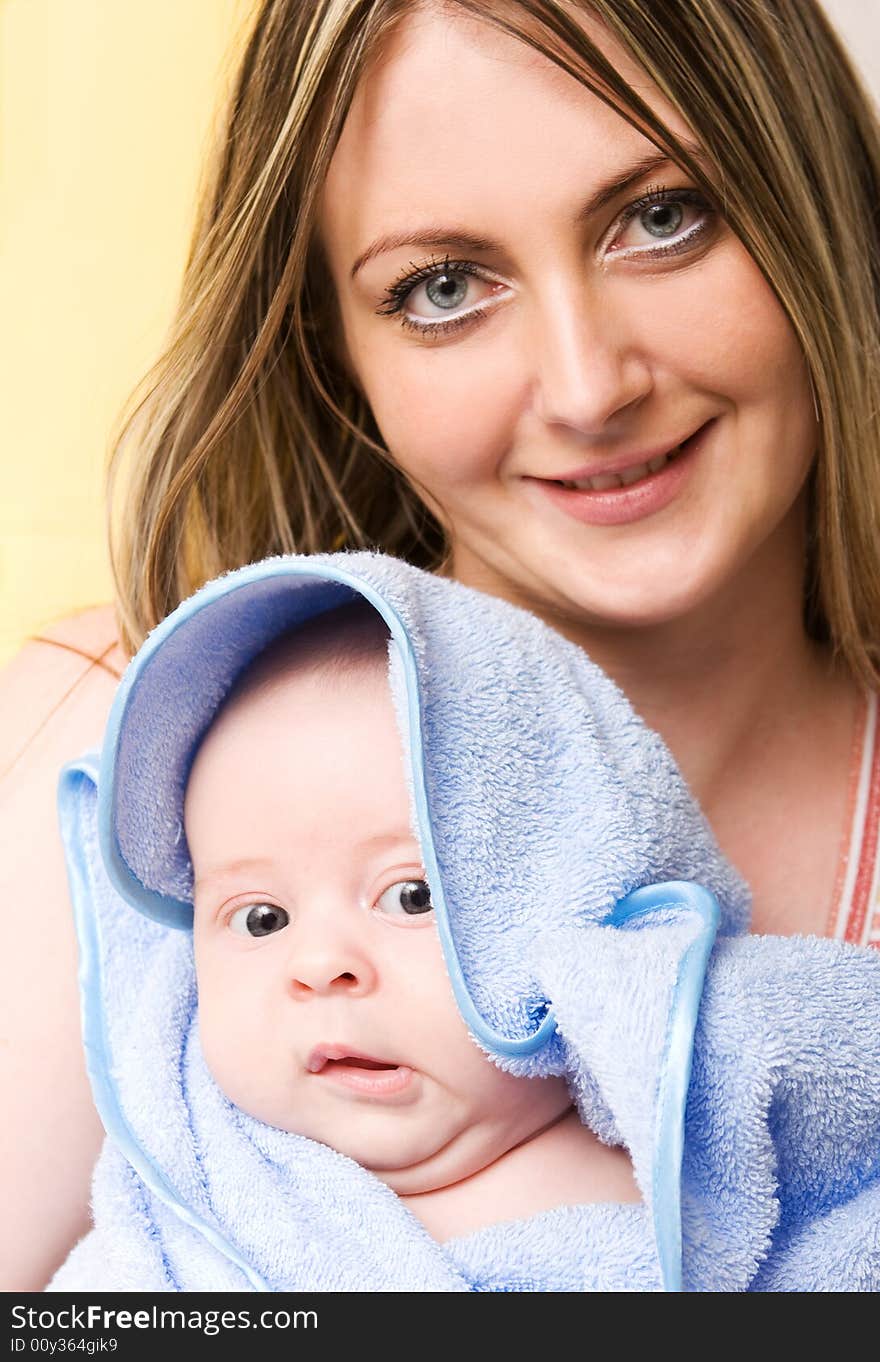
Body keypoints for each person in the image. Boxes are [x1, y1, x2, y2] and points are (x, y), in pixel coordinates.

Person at [4, 0, 880, 1289]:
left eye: (661, 218)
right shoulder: (119, 741)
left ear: (813, 209)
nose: (589, 388)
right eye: (443, 288)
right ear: (331, 356)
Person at [46, 552, 880, 1291]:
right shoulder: (194, 1196)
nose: (321, 965)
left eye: (411, 896)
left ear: (568, 903)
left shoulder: (697, 1164)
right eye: (262, 918)